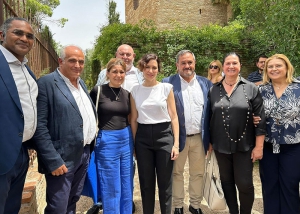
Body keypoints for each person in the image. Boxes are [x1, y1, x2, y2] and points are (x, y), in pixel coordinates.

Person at [33, 45, 97, 213]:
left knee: (72, 200)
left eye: (81, 62)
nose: (78, 65)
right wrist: (53, 160)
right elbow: (39, 126)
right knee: (58, 207)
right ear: (61, 61)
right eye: (72, 61)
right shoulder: (47, 84)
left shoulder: (80, 83)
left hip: (83, 154)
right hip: (62, 159)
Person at [208, 52, 266, 214]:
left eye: (235, 63)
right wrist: (209, 141)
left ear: (240, 65)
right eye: (228, 63)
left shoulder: (251, 88)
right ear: (223, 67)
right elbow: (208, 117)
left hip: (245, 145)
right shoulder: (213, 90)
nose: (231, 66)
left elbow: (260, 120)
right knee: (226, 182)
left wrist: (259, 147)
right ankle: (233, 211)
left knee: (244, 184)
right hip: (220, 145)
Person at [89, 44, 142, 214]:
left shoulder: (127, 94)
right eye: (115, 72)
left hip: (126, 140)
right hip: (107, 140)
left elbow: (131, 118)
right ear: (108, 73)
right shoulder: (98, 91)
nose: (118, 75)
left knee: (127, 183)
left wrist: (134, 142)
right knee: (110, 184)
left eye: (121, 72)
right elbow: (90, 117)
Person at [162, 50, 212, 214]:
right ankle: (177, 206)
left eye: (190, 62)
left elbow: (212, 112)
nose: (187, 66)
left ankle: (195, 205)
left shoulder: (205, 84)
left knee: (198, 173)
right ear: (177, 65)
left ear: (194, 63)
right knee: (176, 172)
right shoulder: (167, 83)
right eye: (183, 63)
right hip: (177, 138)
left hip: (199, 137)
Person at [130, 53, 179, 214]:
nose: (151, 70)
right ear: (142, 69)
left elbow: (174, 117)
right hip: (143, 138)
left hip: (164, 136)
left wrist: (176, 144)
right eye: (147, 67)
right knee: (146, 183)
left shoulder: (166, 88)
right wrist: (135, 144)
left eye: (154, 67)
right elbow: (134, 119)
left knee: (165, 183)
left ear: (158, 69)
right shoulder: (135, 90)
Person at [0, 17, 37, 214]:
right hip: (2, 156)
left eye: (29, 36)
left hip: (22, 153)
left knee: (11, 208)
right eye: (18, 33)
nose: (25, 38)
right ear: (2, 35)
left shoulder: (26, 70)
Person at [258, 54, 300, 214]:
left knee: (290, 184)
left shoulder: (298, 88)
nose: (274, 69)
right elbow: (254, 115)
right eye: (270, 67)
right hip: (268, 146)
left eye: (278, 66)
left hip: (293, 146)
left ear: (287, 68)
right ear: (266, 70)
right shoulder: (261, 90)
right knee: (269, 186)